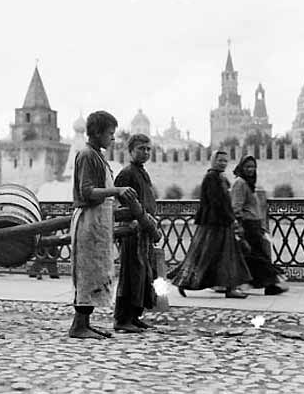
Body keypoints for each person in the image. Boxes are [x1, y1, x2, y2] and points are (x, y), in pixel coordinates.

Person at [69, 110, 138, 339]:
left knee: (95, 273)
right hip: (89, 221)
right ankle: (79, 326)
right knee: (87, 273)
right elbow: (87, 192)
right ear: (97, 133)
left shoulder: (97, 156)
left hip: (98, 222)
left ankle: (85, 323)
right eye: (110, 133)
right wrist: (117, 191)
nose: (112, 138)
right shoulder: (87, 155)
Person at [168, 151, 251, 298]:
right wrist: (231, 218)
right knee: (207, 255)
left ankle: (229, 288)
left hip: (221, 223)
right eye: (220, 160)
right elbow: (216, 202)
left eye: (225, 161)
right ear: (213, 161)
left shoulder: (220, 178)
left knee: (223, 256)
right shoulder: (211, 178)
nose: (223, 163)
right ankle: (184, 282)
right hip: (214, 225)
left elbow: (224, 202)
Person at [113, 134, 158, 333]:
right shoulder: (126, 174)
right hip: (131, 231)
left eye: (148, 149)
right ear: (130, 151)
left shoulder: (142, 173)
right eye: (141, 148)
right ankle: (122, 318)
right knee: (130, 275)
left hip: (144, 231)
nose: (145, 152)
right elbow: (119, 203)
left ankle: (135, 316)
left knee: (143, 275)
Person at [230, 155, 288, 295]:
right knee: (258, 256)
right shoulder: (240, 183)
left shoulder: (249, 183)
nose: (251, 169)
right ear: (241, 168)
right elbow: (236, 207)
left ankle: (266, 284)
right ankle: (270, 284)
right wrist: (240, 226)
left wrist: (260, 225)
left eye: (253, 167)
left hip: (254, 226)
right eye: (247, 167)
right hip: (248, 226)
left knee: (257, 256)